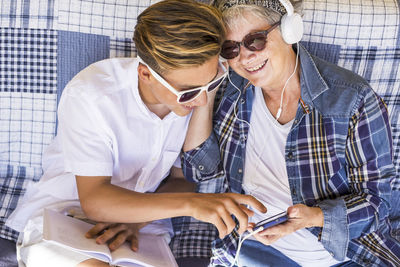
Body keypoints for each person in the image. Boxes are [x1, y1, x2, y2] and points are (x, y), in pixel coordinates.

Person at [5, 1, 267, 266]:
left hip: (142, 226)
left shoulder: (192, 97)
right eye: (189, 91)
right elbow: (94, 200)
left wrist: (138, 221)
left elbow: (181, 178)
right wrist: (192, 204)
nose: (199, 101)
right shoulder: (92, 95)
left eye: (211, 82)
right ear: (145, 74)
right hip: (66, 215)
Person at [179, 0, 400, 266]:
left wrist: (315, 217)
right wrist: (209, 87)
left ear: (289, 30)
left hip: (345, 254)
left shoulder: (353, 99)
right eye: (230, 48)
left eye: (256, 40)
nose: (245, 57)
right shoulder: (231, 91)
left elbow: (377, 204)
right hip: (253, 249)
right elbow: (200, 173)